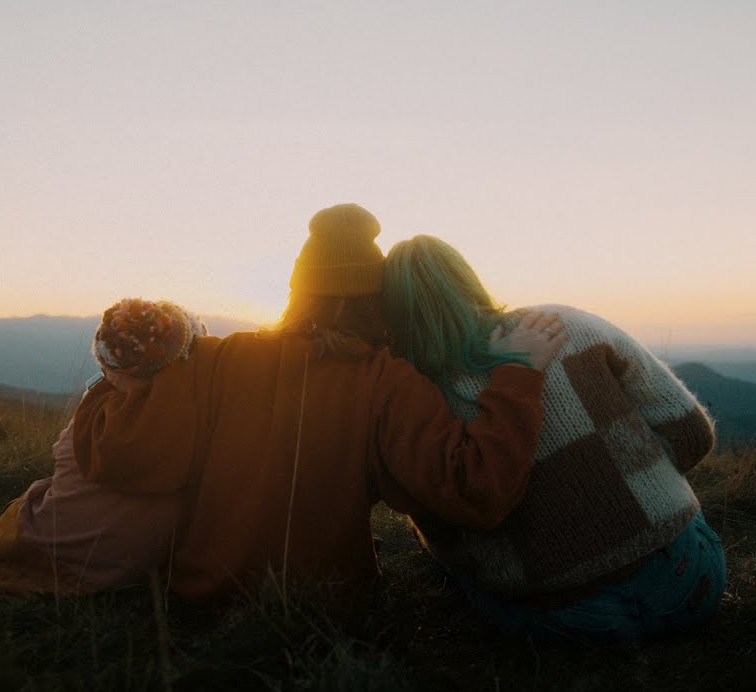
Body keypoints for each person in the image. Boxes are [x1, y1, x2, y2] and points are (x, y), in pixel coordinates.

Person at [70, 203, 568, 602]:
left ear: (299, 288)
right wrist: (519, 375)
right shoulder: (388, 382)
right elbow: (475, 490)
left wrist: (102, 386)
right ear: (376, 296)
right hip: (326, 609)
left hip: (201, 592)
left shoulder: (220, 358)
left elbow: (125, 454)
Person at [382, 234, 724, 641]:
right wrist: (632, 486)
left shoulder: (414, 397)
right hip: (691, 582)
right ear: (467, 279)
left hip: (566, 618)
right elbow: (691, 435)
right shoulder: (563, 324)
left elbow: (449, 541)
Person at [0, 298, 207, 596]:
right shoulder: (199, 418)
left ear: (111, 368)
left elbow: (60, 457)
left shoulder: (92, 419)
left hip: (63, 558)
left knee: (31, 502)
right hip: (137, 568)